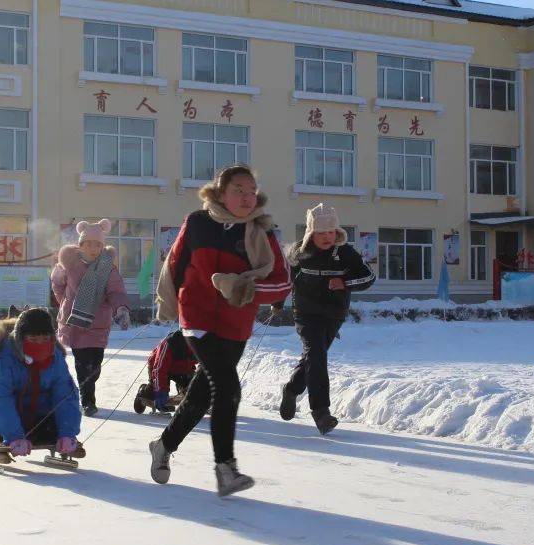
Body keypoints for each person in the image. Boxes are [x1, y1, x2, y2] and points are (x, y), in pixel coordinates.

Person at [149, 165, 291, 496]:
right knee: (227, 388)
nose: (246, 197)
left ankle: (163, 444)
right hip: (197, 318)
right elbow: (175, 264)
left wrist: (245, 288)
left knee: (201, 396)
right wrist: (168, 304)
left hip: (235, 324)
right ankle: (226, 469)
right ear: (220, 192)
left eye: (252, 190)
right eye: (239, 189)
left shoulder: (262, 231)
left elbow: (282, 283)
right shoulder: (198, 223)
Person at [280, 203, 375, 434]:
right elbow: (285, 278)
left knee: (315, 357)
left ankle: (291, 389)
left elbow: (369, 277)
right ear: (312, 232)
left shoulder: (345, 253)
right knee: (316, 355)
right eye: (321, 232)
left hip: (333, 314)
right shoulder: (299, 252)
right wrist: (276, 301)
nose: (326, 237)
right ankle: (321, 412)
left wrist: (344, 282)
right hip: (306, 314)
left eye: (331, 231)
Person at [0, 308, 83, 459]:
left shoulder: (55, 360)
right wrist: (14, 435)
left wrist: (67, 432)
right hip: (8, 416)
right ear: (21, 339)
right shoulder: (5, 360)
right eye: (33, 340)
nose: (40, 344)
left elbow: (66, 396)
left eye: (45, 339)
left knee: (50, 432)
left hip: (40, 416)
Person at [51, 219, 131, 416]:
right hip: (75, 322)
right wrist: (65, 302)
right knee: (82, 364)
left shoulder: (107, 267)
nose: (93, 248)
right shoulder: (69, 264)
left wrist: (121, 309)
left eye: (97, 244)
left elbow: (116, 291)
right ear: (81, 245)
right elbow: (57, 283)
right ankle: (88, 401)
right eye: (88, 244)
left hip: (98, 322)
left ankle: (87, 391)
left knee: (94, 366)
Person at [134, 330, 197, 414]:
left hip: (183, 369)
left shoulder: (204, 343)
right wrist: (161, 391)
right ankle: (143, 393)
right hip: (159, 367)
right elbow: (159, 369)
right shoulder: (172, 342)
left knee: (196, 388)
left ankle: (184, 391)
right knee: (155, 391)